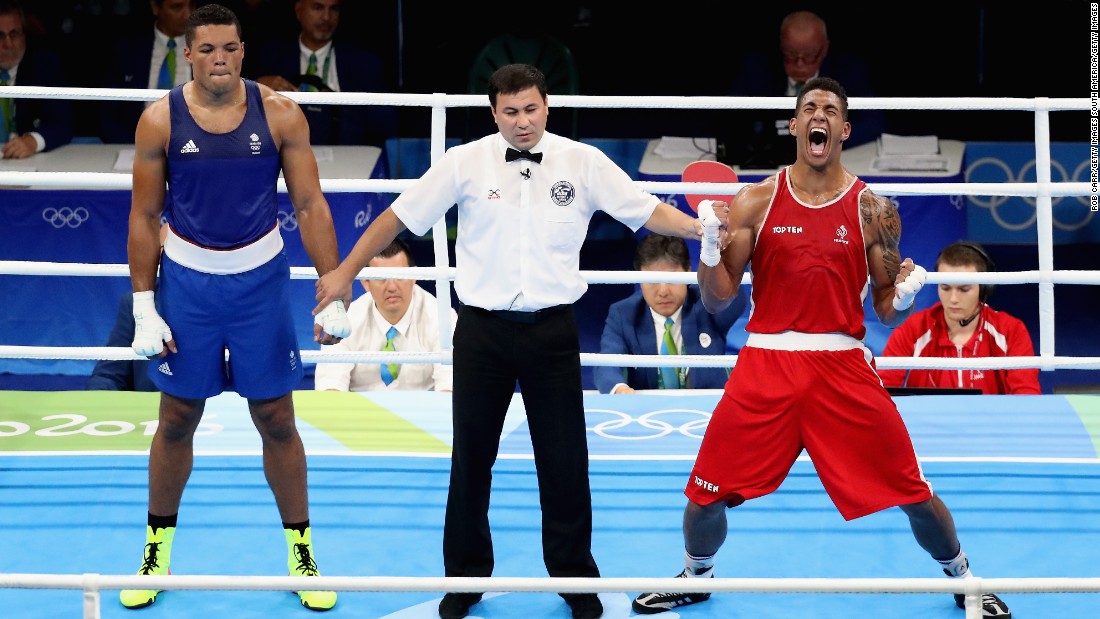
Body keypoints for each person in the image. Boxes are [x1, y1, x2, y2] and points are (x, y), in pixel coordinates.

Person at [313, 63, 717, 619]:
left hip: (552, 330)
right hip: (481, 331)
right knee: (471, 459)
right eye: (510, 112)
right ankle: (465, 580)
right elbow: (395, 217)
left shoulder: (583, 161)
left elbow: (645, 211)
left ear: (546, 106)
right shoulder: (465, 162)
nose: (522, 122)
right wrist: (342, 270)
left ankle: (577, 582)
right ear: (494, 113)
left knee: (565, 462)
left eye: (530, 109)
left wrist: (705, 228)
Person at [631, 78, 1011, 618]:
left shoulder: (874, 210)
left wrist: (900, 295)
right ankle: (695, 575)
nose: (819, 116)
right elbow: (717, 302)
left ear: (843, 129)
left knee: (911, 490)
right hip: (766, 362)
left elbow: (882, 306)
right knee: (704, 492)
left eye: (830, 110)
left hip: (841, 366)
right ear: (796, 125)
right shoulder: (754, 201)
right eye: (809, 107)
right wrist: (710, 250)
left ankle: (967, 579)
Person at [119, 4, 351, 612]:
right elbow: (144, 216)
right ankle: (155, 550)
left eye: (230, 48)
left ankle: (302, 552)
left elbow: (310, 205)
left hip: (260, 285)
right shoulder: (158, 121)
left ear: (242, 51)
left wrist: (333, 288)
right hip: (190, 285)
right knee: (177, 417)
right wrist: (145, 304)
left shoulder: (281, 115)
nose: (219, 59)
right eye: (208, 49)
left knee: (277, 417)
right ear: (188, 54)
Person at [719, 10, 885, 169]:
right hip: (766, 163)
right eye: (790, 55)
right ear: (781, 47)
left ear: (824, 49)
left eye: (809, 56)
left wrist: (827, 139)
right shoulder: (756, 68)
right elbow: (728, 116)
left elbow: (874, 122)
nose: (799, 64)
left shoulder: (850, 71)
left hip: (827, 162)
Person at [879, 241, 1041, 394]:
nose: (954, 299)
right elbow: (883, 388)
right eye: (946, 288)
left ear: (983, 289)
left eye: (964, 289)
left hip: (994, 423)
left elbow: (1027, 395)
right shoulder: (913, 328)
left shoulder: (1011, 330)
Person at [594, 233, 746, 394]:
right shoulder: (623, 313)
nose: (663, 291)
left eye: (671, 278)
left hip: (706, 411)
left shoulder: (707, 303)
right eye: (652, 280)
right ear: (638, 276)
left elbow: (734, 297)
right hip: (648, 412)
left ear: (688, 272)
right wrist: (620, 390)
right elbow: (606, 363)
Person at [314, 237, 457, 392]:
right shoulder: (348, 318)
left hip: (424, 413)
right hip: (360, 413)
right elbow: (330, 387)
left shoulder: (441, 316)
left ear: (414, 276)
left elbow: (449, 389)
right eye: (381, 278)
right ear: (365, 283)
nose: (392, 287)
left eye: (399, 277)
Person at [246, 0, 397, 146]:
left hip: (347, 158)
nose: (326, 17)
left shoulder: (364, 63)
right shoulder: (270, 57)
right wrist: (257, 89)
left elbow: (386, 125)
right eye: (318, 8)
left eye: (333, 9)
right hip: (285, 155)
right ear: (299, 11)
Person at [99, 0, 195, 144]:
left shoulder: (210, 48)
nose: (188, 14)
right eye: (177, 7)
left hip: (195, 148)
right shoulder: (127, 50)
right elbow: (108, 116)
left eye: (192, 6)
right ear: (155, 7)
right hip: (135, 147)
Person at [0, 0, 72, 159]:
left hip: (29, 163)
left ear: (24, 35)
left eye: (14, 34)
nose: (8, 44)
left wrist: (33, 141)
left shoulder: (44, 66)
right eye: (0, 36)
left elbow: (62, 123)